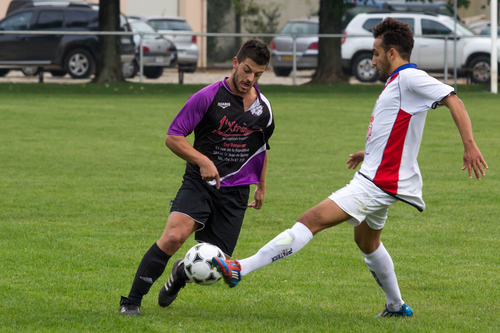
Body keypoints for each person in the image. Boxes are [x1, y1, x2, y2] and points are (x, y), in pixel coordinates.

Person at [212, 18, 488, 318]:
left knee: (310, 220)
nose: (373, 59)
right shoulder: (397, 83)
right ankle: (395, 306)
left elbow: (454, 100)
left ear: (392, 53)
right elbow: (394, 129)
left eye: (376, 53)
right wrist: (368, 152)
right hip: (379, 176)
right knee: (366, 241)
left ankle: (240, 267)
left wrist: (470, 144)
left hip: (377, 183)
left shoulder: (410, 78)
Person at [119, 39, 274, 316]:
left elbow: (261, 147)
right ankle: (131, 302)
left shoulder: (263, 108)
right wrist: (201, 160)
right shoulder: (207, 97)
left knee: (217, 265)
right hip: (199, 183)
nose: (250, 79)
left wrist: (261, 186)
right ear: (235, 63)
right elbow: (173, 137)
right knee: (174, 236)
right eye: (247, 70)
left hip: (236, 190)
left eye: (258, 74)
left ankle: (180, 274)